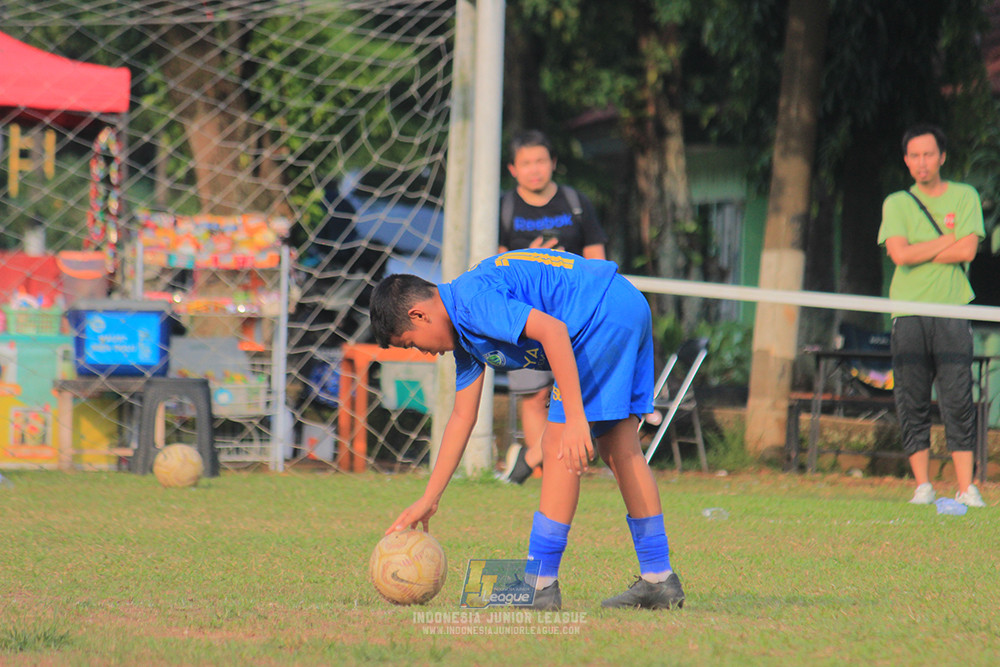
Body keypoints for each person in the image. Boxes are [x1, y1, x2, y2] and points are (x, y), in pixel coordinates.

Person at [371, 249, 685, 610]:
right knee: (620, 448)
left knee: (556, 444)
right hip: (622, 304)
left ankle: (540, 584)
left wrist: (576, 419)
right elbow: (462, 417)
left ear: (419, 315)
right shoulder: (464, 331)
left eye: (411, 343)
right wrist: (429, 498)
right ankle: (659, 579)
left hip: (599, 316)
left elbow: (553, 330)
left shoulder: (473, 302)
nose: (424, 353)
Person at [877, 123, 986, 508]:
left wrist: (921, 248)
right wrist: (946, 240)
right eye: (914, 156)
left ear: (942, 157)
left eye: (928, 154)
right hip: (908, 312)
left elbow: (969, 250)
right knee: (912, 396)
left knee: (957, 397)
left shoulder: (965, 195)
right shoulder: (896, 203)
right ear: (907, 161)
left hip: (952, 309)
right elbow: (899, 256)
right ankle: (922, 484)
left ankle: (965, 486)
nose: (922, 163)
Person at [497, 130, 608, 485]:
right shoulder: (504, 207)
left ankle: (533, 460)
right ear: (513, 169)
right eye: (526, 163)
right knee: (535, 395)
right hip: (525, 317)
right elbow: (496, 264)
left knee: (576, 390)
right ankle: (545, 471)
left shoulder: (576, 202)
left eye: (541, 161)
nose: (535, 169)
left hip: (573, 315)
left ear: (553, 163)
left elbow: (597, 260)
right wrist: (530, 261)